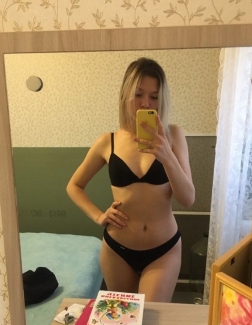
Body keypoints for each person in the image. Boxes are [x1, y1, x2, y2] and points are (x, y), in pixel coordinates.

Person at [66, 57, 195, 302]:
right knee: (119, 321)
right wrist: (98, 216)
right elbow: (74, 186)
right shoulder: (108, 141)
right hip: (117, 251)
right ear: (126, 95)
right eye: (138, 94)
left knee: (150, 318)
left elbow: (188, 199)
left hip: (163, 250)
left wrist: (167, 156)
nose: (146, 103)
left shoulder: (174, 136)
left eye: (154, 96)